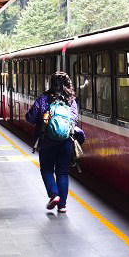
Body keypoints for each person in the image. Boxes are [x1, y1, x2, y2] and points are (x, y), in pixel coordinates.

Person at [27, 71, 85, 214]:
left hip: (46, 142)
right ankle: (63, 206)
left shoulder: (43, 99)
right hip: (66, 142)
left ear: (51, 84)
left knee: (46, 170)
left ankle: (54, 194)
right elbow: (74, 120)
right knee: (62, 173)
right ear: (67, 84)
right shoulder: (71, 101)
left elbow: (30, 118)